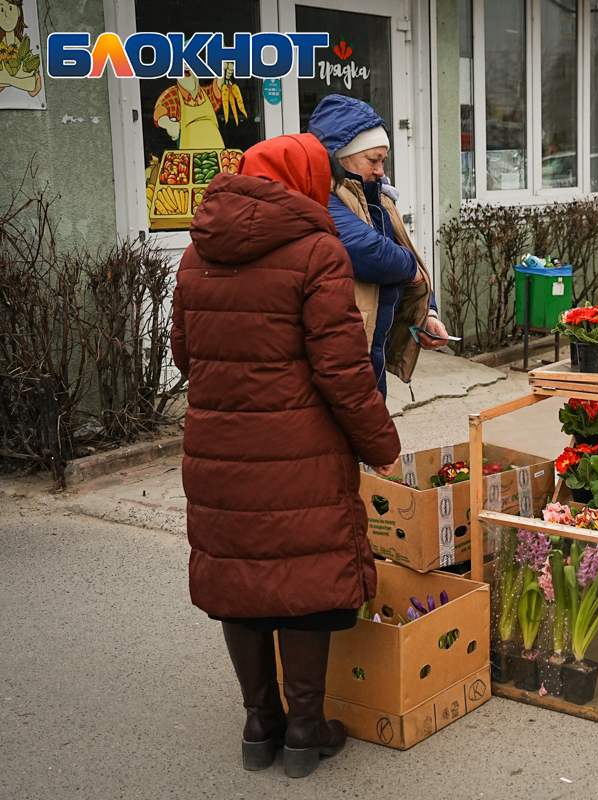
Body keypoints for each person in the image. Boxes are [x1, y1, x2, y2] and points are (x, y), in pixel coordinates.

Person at [170, 133, 402, 778]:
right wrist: (381, 445)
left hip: (218, 450)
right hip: (300, 447)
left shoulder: (196, 254)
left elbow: (185, 355)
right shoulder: (317, 251)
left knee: (238, 578)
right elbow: (343, 369)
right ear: (302, 179)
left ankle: (258, 722)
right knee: (305, 582)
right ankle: (305, 730)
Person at [307, 94, 449, 398]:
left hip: (372, 349)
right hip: (344, 357)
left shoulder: (377, 197)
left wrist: (429, 315)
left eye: (383, 161)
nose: (381, 171)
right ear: (339, 157)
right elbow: (369, 251)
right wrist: (410, 270)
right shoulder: (319, 196)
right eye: (373, 160)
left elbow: (404, 253)